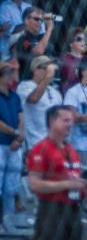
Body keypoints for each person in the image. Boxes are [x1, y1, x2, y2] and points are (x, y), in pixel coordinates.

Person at [27, 105, 86, 240]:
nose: (70, 124)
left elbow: (75, 178)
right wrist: (67, 184)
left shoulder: (71, 149)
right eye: (65, 120)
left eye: (71, 120)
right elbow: (34, 184)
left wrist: (86, 189)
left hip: (74, 209)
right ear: (52, 122)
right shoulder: (41, 148)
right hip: (51, 209)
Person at [18, 55, 62, 150]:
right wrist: (48, 77)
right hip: (33, 144)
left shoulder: (55, 92)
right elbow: (34, 99)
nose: (49, 71)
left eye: (50, 69)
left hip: (53, 145)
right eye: (45, 68)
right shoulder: (25, 86)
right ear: (35, 69)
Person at [0, 63, 24, 228]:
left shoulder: (15, 96)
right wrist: (16, 133)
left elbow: (21, 117)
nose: (13, 78)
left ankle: (8, 220)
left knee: (12, 185)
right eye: (10, 75)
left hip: (14, 146)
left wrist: (19, 137)